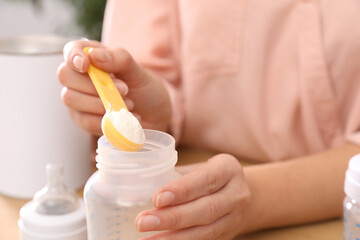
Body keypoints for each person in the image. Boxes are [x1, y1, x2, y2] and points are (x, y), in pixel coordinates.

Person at [57, 0, 360, 239]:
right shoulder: (99, 191)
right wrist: (153, 111)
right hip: (189, 191)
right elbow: (150, 84)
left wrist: (256, 197)